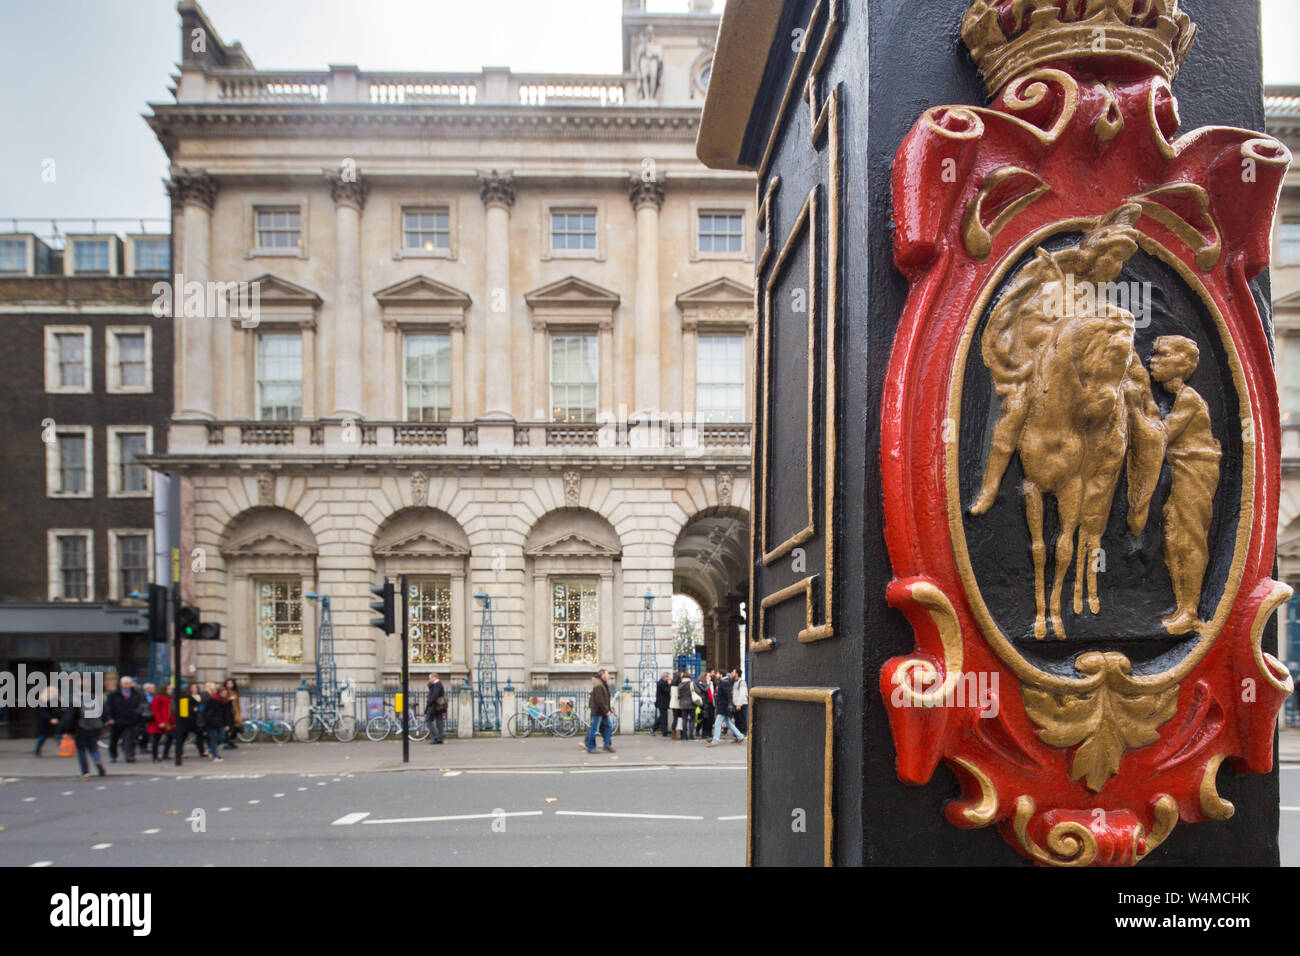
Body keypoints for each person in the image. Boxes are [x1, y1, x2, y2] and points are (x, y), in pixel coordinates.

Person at [1149, 335, 1222, 635]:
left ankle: (1190, 610)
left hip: (1195, 470)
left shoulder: (1189, 398)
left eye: (1161, 356)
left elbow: (1163, 434)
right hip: (1182, 470)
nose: (1152, 361)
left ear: (1179, 365)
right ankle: (1182, 607)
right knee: (1173, 538)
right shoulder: (1180, 398)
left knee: (1190, 536)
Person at [60, 687, 106, 778]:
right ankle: (97, 761)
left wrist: (67, 731)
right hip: (94, 727)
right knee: (94, 748)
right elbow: (103, 712)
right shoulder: (95, 699)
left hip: (81, 728)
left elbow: (69, 718)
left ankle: (85, 772)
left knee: (81, 751)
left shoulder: (75, 700)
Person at [105, 676, 148, 763]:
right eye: (125, 683)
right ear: (121, 684)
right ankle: (113, 755)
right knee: (114, 739)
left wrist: (139, 714)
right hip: (116, 720)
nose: (127, 685)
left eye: (129, 683)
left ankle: (129, 756)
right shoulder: (113, 694)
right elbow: (108, 707)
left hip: (131, 720)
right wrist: (109, 718)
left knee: (129, 738)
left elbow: (143, 705)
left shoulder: (137, 693)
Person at [708, 670, 747, 747]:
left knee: (717, 723)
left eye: (718, 673)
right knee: (728, 723)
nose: (716, 674)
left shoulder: (724, 682)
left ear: (721, 675)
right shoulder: (725, 682)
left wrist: (729, 705)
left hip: (723, 707)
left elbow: (728, 695)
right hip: (724, 706)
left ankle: (715, 740)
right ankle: (740, 736)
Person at [584, 669, 614, 754]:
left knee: (609, 726)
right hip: (598, 712)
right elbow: (600, 700)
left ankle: (607, 745)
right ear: (603, 675)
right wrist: (606, 711)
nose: (608, 676)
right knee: (594, 730)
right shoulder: (599, 685)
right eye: (607, 674)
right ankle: (591, 747)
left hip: (602, 711)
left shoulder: (602, 684)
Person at [178, 683, 206, 759]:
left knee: (200, 735)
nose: (194, 689)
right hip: (188, 720)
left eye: (196, 687)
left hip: (197, 720)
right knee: (183, 736)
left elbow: (202, 707)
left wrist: (199, 709)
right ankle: (180, 752)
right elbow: (183, 709)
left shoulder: (200, 697)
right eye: (192, 687)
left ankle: (202, 751)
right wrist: (192, 710)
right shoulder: (185, 696)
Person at [202, 683, 229, 762]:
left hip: (220, 722)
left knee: (222, 738)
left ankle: (211, 749)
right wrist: (208, 719)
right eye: (223, 693)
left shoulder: (225, 701)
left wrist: (226, 724)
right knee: (213, 738)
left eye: (225, 694)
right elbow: (205, 710)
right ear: (219, 693)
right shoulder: (212, 699)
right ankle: (215, 755)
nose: (224, 695)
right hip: (211, 722)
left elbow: (225, 713)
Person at [34, 685, 63, 756]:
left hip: (56, 720)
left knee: (60, 736)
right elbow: (43, 712)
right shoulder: (43, 701)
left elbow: (59, 710)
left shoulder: (58, 700)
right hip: (46, 722)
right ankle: (37, 750)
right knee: (43, 737)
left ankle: (63, 750)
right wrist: (51, 718)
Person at [149, 686, 174, 763]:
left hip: (168, 723)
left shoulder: (170, 699)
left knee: (170, 737)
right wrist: (160, 722)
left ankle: (165, 754)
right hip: (159, 723)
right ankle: (155, 756)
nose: (171, 690)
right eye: (169, 689)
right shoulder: (158, 699)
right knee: (156, 740)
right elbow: (155, 711)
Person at [426, 672, 448, 744]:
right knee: (439, 721)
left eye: (430, 678)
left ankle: (436, 736)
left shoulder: (437, 685)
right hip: (437, 706)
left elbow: (434, 695)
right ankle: (439, 738)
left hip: (435, 706)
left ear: (434, 677)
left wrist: (429, 701)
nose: (429, 680)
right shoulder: (436, 684)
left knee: (428, 721)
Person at [222, 678, 242, 749]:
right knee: (229, 727)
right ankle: (228, 742)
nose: (230, 685)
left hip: (235, 711)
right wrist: (229, 699)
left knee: (237, 727)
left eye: (231, 683)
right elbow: (222, 700)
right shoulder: (224, 691)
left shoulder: (235, 692)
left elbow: (237, 702)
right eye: (228, 683)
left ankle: (232, 740)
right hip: (227, 711)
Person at [732, 667, 749, 735]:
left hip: (741, 704)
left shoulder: (742, 682)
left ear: (737, 674)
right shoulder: (734, 682)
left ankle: (743, 733)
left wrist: (739, 704)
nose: (732, 673)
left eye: (733, 672)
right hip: (735, 703)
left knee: (742, 719)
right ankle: (738, 734)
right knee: (737, 720)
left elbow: (743, 693)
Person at [653, 672, 671, 738]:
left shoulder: (663, 683)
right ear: (665, 677)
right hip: (662, 703)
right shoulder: (661, 683)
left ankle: (653, 728)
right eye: (668, 677)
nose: (669, 678)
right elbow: (667, 691)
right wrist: (669, 684)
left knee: (662, 717)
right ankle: (664, 732)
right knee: (664, 718)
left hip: (664, 703)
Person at [668, 673, 683, 740]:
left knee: (675, 719)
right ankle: (680, 733)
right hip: (678, 704)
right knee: (679, 719)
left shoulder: (671, 685)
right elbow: (679, 696)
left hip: (673, 704)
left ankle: (674, 734)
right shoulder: (679, 685)